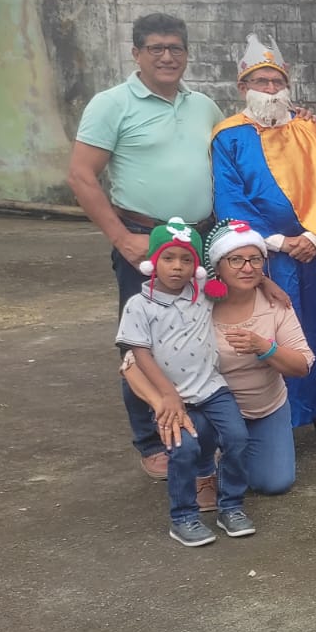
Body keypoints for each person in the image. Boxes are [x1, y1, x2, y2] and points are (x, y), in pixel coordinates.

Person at [67, 13, 227, 479]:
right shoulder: (111, 104)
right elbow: (81, 175)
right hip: (144, 241)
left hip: (201, 238)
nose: (167, 57)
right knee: (143, 342)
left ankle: (205, 430)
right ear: (136, 53)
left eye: (176, 48)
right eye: (156, 48)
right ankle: (153, 440)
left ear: (187, 54)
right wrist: (121, 237)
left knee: (201, 334)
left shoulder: (204, 106)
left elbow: (240, 146)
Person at [211, 33, 316, 451]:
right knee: (268, 334)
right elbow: (230, 199)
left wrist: (314, 236)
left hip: (313, 251)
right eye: (261, 81)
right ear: (243, 87)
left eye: (277, 81)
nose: (271, 89)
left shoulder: (307, 128)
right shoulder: (227, 136)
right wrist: (278, 241)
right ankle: (276, 423)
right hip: (264, 255)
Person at [123, 220, 315, 500]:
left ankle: (228, 456)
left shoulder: (275, 302)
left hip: (262, 408)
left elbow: (303, 365)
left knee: (274, 482)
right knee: (199, 428)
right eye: (235, 259)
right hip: (207, 408)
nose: (247, 267)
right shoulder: (194, 301)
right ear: (216, 266)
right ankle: (206, 462)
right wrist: (162, 400)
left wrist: (265, 348)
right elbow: (131, 363)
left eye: (255, 259)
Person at [115, 219, 252, 547]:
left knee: (237, 438)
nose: (177, 267)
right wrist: (167, 395)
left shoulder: (204, 294)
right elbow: (139, 353)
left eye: (186, 259)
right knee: (184, 449)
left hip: (212, 388)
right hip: (170, 396)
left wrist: (271, 287)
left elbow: (241, 283)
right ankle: (183, 517)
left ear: (196, 266)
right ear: (153, 261)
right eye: (168, 258)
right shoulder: (140, 305)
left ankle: (231, 507)